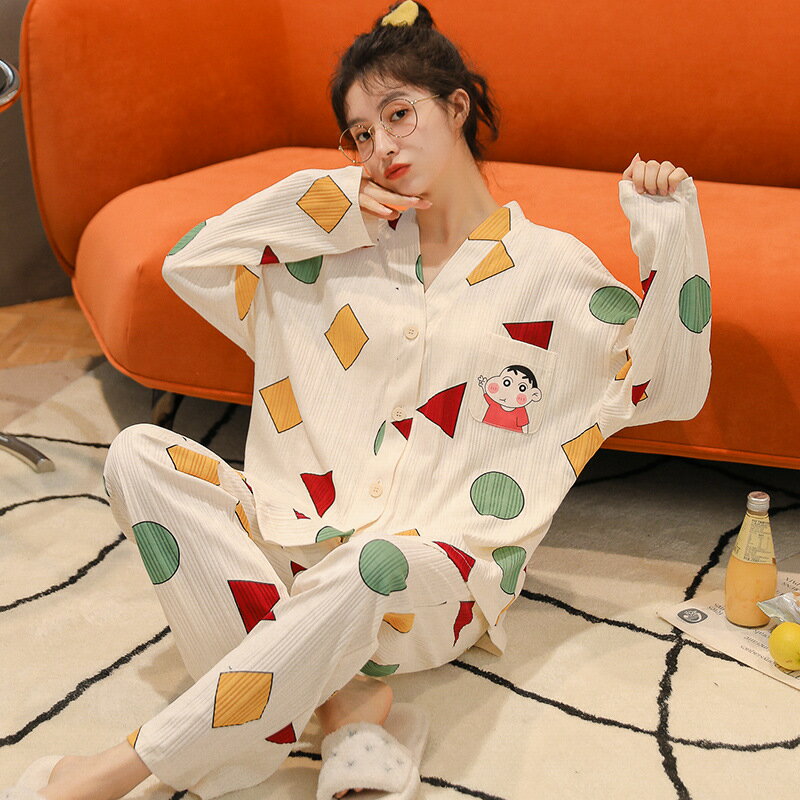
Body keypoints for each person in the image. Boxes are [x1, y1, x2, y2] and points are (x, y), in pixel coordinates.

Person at [3, 1, 711, 799]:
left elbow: (671, 387)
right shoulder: (334, 247)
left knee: (370, 563)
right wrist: (321, 203)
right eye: (361, 134)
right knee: (138, 454)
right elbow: (189, 263)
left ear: (457, 107)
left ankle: (126, 767)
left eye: (399, 115)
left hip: (427, 582)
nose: (382, 148)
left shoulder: (553, 269)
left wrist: (670, 233)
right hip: (299, 547)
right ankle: (343, 701)